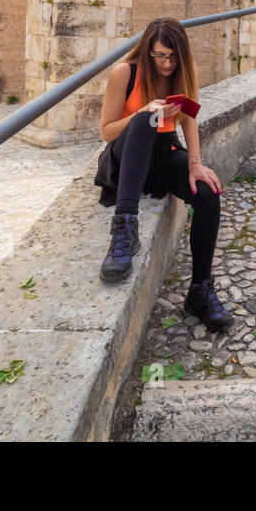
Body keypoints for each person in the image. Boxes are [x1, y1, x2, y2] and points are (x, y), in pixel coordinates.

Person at [96, 17, 232, 331]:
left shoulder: (182, 73)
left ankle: (200, 290)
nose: (167, 64)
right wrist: (143, 113)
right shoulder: (124, 73)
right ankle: (124, 230)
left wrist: (196, 164)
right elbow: (106, 131)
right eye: (160, 56)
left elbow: (188, 120)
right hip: (125, 153)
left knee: (208, 195)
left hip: (162, 150)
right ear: (148, 51)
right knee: (146, 123)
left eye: (173, 57)